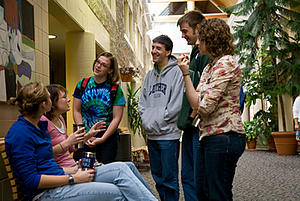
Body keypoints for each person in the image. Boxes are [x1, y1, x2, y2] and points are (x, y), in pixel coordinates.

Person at [5, 82, 158, 201]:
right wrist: (73, 178)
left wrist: (73, 170)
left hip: (62, 179)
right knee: (119, 192)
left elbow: (46, 165)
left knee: (121, 169)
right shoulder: (20, 134)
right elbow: (32, 180)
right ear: (44, 105)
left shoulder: (38, 126)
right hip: (47, 194)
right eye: (49, 98)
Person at [177, 18, 245, 201]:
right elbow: (195, 104)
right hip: (208, 135)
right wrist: (186, 75)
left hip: (225, 136)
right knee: (202, 192)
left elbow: (203, 108)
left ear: (213, 40)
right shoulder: (210, 66)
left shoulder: (226, 63)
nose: (197, 43)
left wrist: (185, 74)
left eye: (201, 39)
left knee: (218, 194)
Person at [42, 83, 152, 190]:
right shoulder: (43, 122)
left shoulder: (60, 119)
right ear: (52, 102)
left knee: (130, 166)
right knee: (121, 173)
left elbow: (71, 148)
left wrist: (88, 135)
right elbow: (42, 154)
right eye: (64, 97)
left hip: (74, 166)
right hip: (66, 172)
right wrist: (68, 143)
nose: (69, 99)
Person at [138, 35, 184, 201]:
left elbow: (176, 105)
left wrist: (159, 119)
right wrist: (147, 119)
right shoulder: (150, 75)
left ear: (168, 52)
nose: (154, 51)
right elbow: (142, 102)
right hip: (152, 134)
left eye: (158, 48)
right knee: (157, 177)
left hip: (169, 135)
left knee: (169, 178)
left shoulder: (177, 73)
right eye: (153, 47)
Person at [177, 10, 210, 201]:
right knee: (187, 174)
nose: (183, 35)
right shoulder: (195, 52)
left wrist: (194, 114)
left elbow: (203, 89)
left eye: (185, 31)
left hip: (198, 124)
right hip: (190, 126)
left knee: (198, 176)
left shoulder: (206, 54)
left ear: (198, 28)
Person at [73, 52, 125, 164]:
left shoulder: (115, 89)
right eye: (97, 62)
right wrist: (84, 134)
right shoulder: (83, 84)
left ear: (110, 70)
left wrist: (103, 138)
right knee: (82, 169)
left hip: (107, 139)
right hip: (85, 137)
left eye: (103, 65)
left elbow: (117, 118)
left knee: (105, 171)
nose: (98, 66)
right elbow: (76, 111)